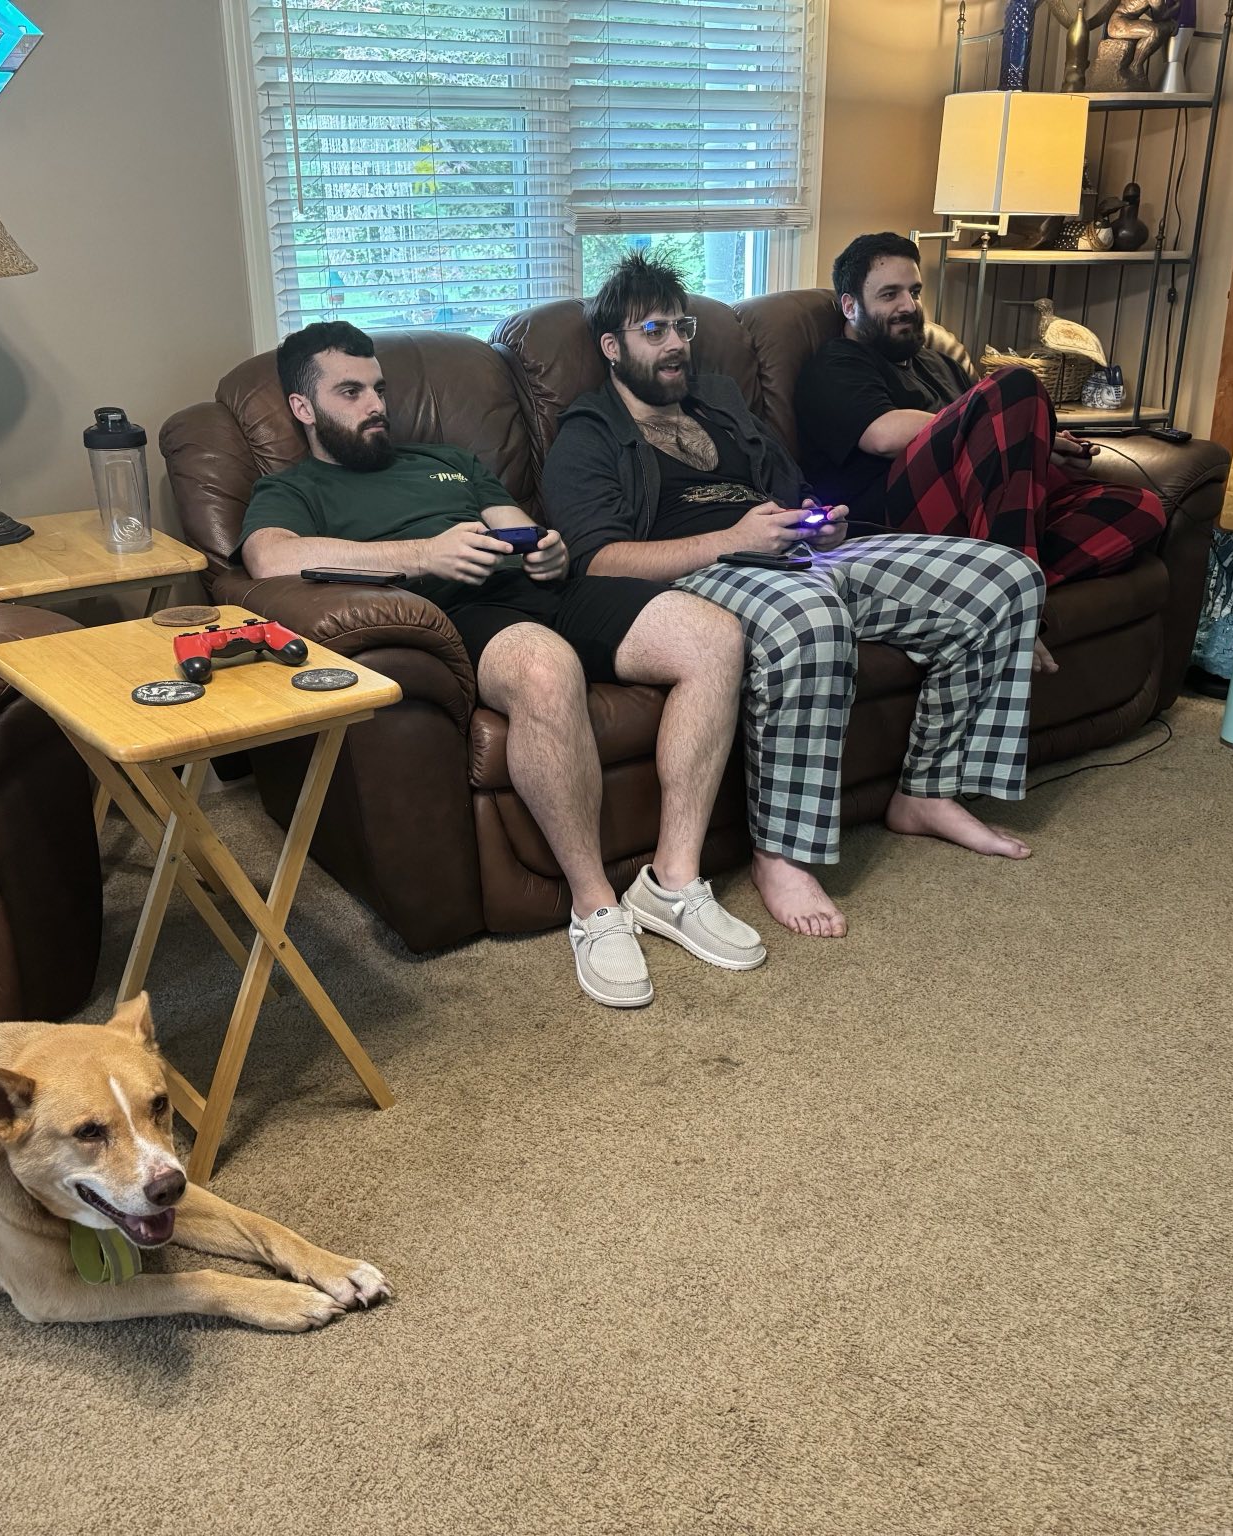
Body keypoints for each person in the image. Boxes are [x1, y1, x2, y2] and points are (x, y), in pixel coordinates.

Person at [238, 321, 765, 1007]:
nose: (375, 405)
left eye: (379, 389)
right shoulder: (296, 488)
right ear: (303, 408)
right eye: (350, 391)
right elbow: (267, 559)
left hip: (548, 592)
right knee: (546, 669)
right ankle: (595, 907)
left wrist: (547, 550)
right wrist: (423, 555)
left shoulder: (446, 459)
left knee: (713, 637)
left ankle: (673, 881)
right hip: (458, 613)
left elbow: (522, 526)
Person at [541, 256, 1045, 941]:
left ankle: (929, 788)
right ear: (612, 347)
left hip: (801, 552)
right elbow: (598, 562)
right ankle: (783, 853)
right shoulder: (587, 433)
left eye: (681, 326)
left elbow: (789, 488)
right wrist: (730, 538)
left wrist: (818, 516)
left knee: (1005, 578)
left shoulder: (719, 400)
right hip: (702, 572)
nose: (676, 344)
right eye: (653, 330)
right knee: (811, 618)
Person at [796, 231, 1167, 588]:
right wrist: (992, 423)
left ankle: (989, 583)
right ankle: (1012, 592)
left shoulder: (940, 363)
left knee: (1140, 508)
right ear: (850, 305)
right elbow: (883, 436)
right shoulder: (836, 363)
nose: (908, 306)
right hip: (895, 518)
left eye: (914, 292)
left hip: (978, 517)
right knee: (1016, 382)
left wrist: (1037, 442)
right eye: (889, 294)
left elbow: (996, 440)